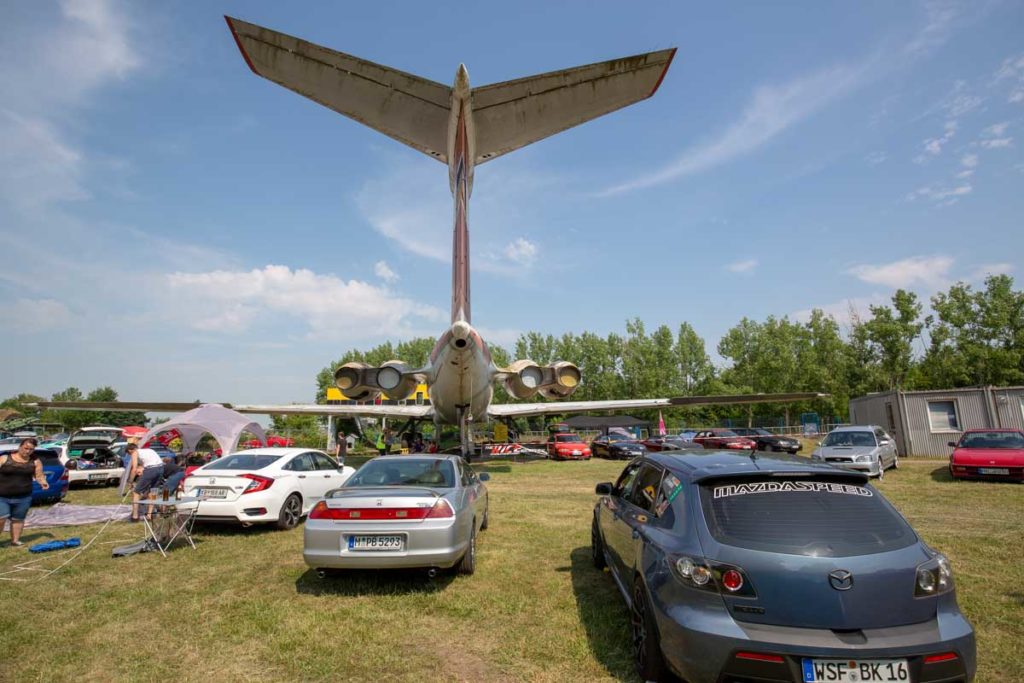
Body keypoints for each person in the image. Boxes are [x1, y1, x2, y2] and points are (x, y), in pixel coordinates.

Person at [0, 438, 49, 546]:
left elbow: (39, 475)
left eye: (31, 449)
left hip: (23, 497)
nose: (27, 451)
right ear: (20, 447)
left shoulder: (35, 461)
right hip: (2, 496)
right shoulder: (4, 458)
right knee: (1, 518)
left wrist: (43, 483)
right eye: (26, 448)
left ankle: (15, 541)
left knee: (18, 519)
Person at [126, 443, 164, 522]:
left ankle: (135, 516)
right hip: (161, 469)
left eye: (129, 454)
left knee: (136, 492)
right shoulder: (149, 450)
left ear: (130, 450)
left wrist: (130, 482)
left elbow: (134, 469)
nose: (131, 456)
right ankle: (150, 515)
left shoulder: (135, 452)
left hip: (151, 470)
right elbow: (146, 466)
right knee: (153, 492)